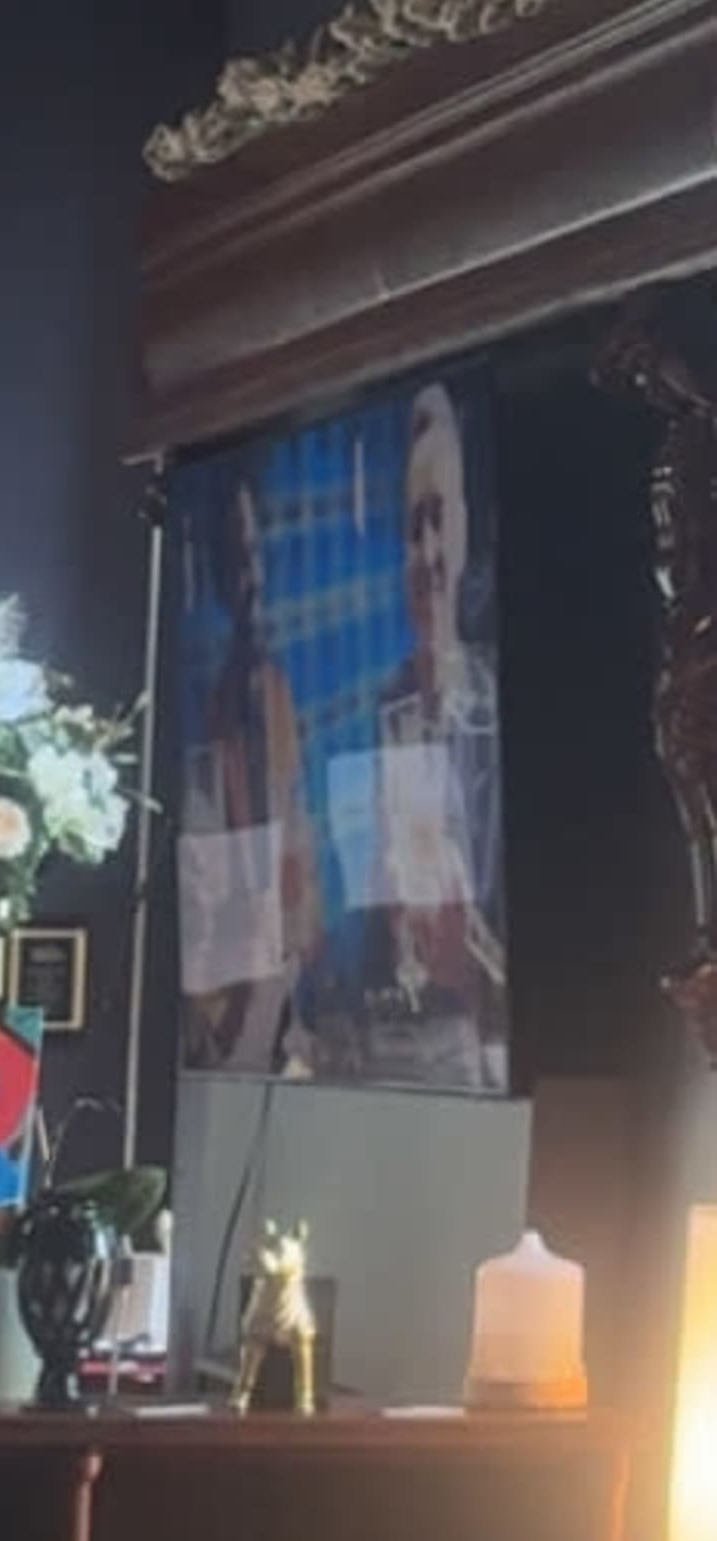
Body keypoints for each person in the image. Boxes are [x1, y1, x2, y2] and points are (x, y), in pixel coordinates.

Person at [347, 377, 506, 1088]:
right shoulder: (388, 708)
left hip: (497, 1051)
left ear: (468, 527)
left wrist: (468, 963)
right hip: (400, 1057)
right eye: (415, 527)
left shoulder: (498, 699)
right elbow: (370, 906)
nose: (430, 549)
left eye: (440, 518)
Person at [177, 462, 318, 1074]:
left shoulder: (279, 690)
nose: (253, 578)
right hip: (232, 996)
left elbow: (302, 832)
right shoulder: (209, 708)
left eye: (257, 555)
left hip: (290, 980)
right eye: (238, 560)